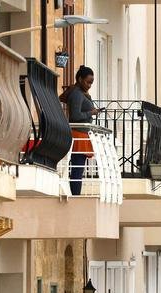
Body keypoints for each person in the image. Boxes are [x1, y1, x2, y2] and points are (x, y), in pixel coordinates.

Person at [65, 66, 99, 196]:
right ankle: (75, 196)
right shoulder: (77, 94)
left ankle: (76, 195)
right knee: (77, 170)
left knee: (79, 169)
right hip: (78, 134)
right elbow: (75, 116)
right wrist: (91, 112)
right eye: (88, 82)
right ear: (80, 79)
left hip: (82, 134)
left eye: (91, 83)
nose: (89, 85)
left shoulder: (81, 94)